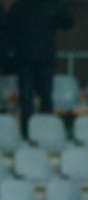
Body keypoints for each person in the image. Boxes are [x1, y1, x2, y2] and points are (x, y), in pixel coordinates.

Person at [4, 0, 72, 134]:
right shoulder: (52, 4)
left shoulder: (20, 5)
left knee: (27, 99)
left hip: (26, 58)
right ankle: (44, 132)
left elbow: (9, 28)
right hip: (43, 58)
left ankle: (28, 132)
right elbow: (68, 22)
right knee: (44, 98)